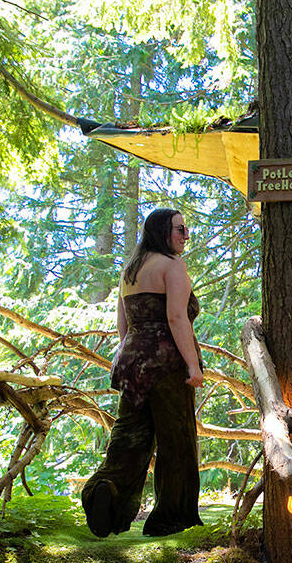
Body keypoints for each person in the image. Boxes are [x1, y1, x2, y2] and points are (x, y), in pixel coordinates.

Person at [81, 207, 205, 537]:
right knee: (176, 441)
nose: (185, 235)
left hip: (132, 361)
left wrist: (135, 360)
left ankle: (106, 494)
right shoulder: (172, 266)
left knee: (129, 438)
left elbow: (123, 325)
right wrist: (192, 365)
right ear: (162, 232)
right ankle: (171, 517)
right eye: (179, 229)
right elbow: (177, 319)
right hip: (167, 365)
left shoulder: (131, 270)